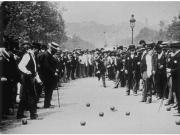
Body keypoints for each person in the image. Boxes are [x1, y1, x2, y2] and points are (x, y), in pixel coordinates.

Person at [17, 42, 41, 119]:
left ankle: (20, 114)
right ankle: (33, 114)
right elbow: (20, 65)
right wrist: (27, 71)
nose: (38, 52)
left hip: (30, 78)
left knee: (24, 97)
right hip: (27, 78)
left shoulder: (33, 56)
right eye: (37, 50)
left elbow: (34, 70)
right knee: (32, 96)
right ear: (34, 49)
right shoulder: (27, 55)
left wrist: (38, 79)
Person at [37, 42, 59, 108]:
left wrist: (56, 69)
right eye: (54, 50)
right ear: (51, 48)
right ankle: (45, 104)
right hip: (45, 76)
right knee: (44, 90)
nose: (55, 51)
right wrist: (53, 72)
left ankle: (47, 103)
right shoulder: (46, 55)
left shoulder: (49, 55)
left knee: (49, 90)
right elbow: (46, 66)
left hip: (49, 76)